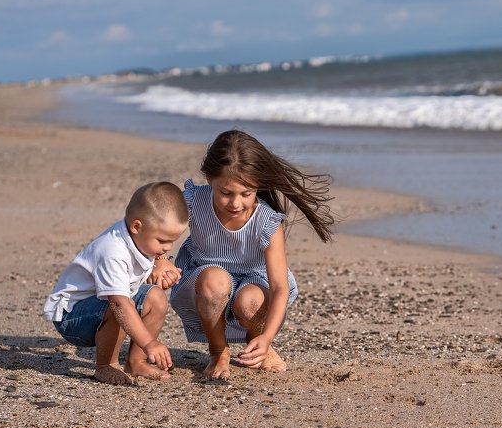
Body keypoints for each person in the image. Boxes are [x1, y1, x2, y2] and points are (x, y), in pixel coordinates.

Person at [158, 129, 334, 380]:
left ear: (257, 186)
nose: (235, 203)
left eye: (246, 193)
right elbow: (156, 225)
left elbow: (280, 288)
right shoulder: (194, 201)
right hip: (205, 280)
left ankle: (258, 346)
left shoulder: (267, 222)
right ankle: (218, 351)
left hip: (255, 283)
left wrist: (267, 336)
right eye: (226, 193)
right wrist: (161, 261)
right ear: (209, 179)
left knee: (250, 302)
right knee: (214, 281)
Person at [43, 182, 188, 385]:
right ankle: (106, 365)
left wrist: (160, 262)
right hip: (73, 317)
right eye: (162, 241)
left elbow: (140, 274)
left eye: (173, 241)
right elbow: (119, 303)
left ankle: (136, 362)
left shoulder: (140, 238)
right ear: (137, 226)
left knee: (156, 297)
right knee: (119, 306)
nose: (168, 247)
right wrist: (149, 343)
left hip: (104, 304)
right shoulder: (112, 252)